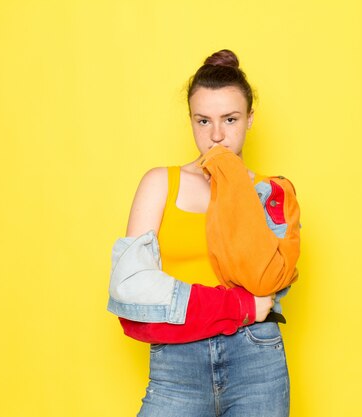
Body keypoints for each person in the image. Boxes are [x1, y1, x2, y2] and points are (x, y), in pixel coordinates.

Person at [109, 49, 301, 417]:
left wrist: (231, 180)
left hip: (256, 358)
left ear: (250, 119)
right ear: (191, 121)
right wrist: (239, 306)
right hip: (176, 361)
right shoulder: (161, 183)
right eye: (203, 121)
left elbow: (267, 281)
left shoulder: (271, 194)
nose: (216, 135)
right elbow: (130, 287)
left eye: (230, 119)